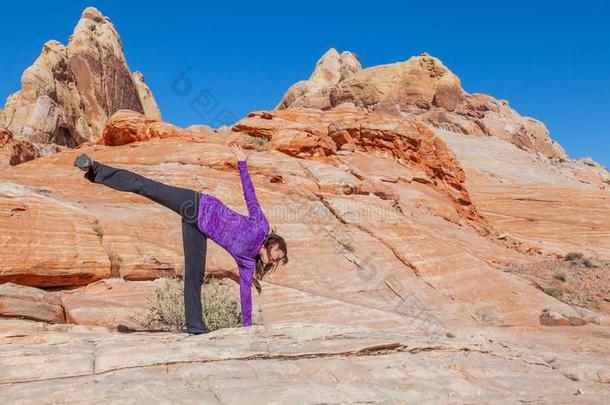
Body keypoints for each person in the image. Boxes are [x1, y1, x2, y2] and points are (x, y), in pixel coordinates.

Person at [73, 143, 288, 334]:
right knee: (146, 187)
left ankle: (195, 327)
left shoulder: (248, 263)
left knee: (194, 274)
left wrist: (248, 329)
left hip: (198, 229)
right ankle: (94, 168)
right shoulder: (261, 226)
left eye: (278, 262)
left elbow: (245, 295)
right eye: (279, 256)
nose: (276, 261)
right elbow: (250, 196)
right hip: (196, 203)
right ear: (275, 244)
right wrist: (242, 163)